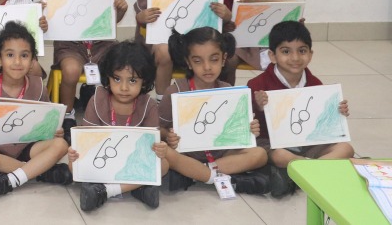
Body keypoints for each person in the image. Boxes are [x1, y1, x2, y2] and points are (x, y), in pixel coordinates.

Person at [0, 22, 71, 198]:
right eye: (10, 55)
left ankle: (16, 176)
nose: (17, 62)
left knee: (61, 144)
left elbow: (47, 122)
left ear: (32, 61)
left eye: (24, 55)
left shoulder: (38, 87)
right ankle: (39, 172)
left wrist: (54, 131)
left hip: (27, 146)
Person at [247, 21, 354, 198]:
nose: (295, 58)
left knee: (346, 148)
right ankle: (315, 170)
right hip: (275, 144)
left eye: (302, 51)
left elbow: (323, 122)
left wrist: (337, 111)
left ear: (310, 55)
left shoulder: (316, 84)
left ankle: (302, 171)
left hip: (307, 143)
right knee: (280, 156)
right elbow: (249, 124)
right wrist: (258, 105)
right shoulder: (257, 85)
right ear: (272, 56)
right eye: (286, 51)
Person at [159, 28, 269, 195]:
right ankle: (219, 177)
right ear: (188, 62)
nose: (207, 67)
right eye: (198, 61)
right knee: (165, 153)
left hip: (220, 154)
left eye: (214, 59)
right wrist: (168, 136)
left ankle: (196, 174)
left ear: (224, 59)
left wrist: (250, 129)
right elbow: (158, 129)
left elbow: (237, 131)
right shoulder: (175, 91)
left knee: (260, 154)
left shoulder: (228, 90)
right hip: (186, 153)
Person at [70, 41, 169, 211]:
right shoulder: (96, 101)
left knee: (164, 164)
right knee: (73, 164)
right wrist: (75, 152)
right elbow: (86, 142)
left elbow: (150, 148)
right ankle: (139, 188)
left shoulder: (149, 105)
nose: (123, 88)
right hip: (102, 160)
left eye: (132, 80)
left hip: (132, 161)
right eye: (117, 79)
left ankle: (105, 191)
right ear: (107, 77)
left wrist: (160, 149)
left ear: (144, 81)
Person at [54, 0, 128, 141]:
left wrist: (120, 9)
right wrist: (45, 18)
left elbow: (111, 22)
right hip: (71, 45)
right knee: (70, 70)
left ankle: (106, 112)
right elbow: (54, 24)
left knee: (118, 66)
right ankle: (68, 115)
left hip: (101, 45)